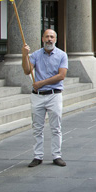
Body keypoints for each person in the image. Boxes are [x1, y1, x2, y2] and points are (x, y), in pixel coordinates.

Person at [22, 29, 68, 167]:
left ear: (56, 39)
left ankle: (56, 155)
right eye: (47, 36)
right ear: (42, 38)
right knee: (37, 127)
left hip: (54, 95)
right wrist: (24, 56)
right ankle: (37, 156)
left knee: (56, 127)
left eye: (52, 37)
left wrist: (41, 83)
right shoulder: (35, 55)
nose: (49, 39)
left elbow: (61, 76)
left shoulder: (62, 55)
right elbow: (26, 70)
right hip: (37, 96)